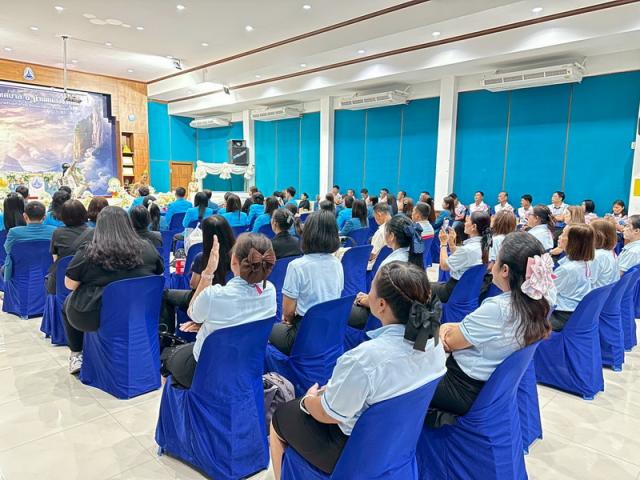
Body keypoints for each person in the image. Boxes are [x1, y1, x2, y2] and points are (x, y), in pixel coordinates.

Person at [270, 261, 446, 478]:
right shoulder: (435, 346)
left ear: (381, 304)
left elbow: (327, 414)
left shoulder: (364, 359)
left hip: (352, 451)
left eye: (371, 287)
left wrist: (307, 401)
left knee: (280, 418)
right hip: (397, 440)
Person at [426, 232, 552, 426]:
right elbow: (472, 331)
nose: (491, 266)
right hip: (490, 388)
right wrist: (450, 327)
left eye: (496, 260)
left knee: (401, 379)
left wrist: (444, 328)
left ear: (505, 270)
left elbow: (450, 342)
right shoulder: (537, 303)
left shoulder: (499, 308)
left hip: (461, 387)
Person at [161, 232, 276, 388]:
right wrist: (209, 325)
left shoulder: (215, 295)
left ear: (234, 261)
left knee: (167, 359)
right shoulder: (270, 291)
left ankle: (184, 402)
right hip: (247, 362)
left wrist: (208, 273)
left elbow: (193, 313)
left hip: (208, 368)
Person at [62, 206, 164, 373]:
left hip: (95, 315)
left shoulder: (89, 251)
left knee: (68, 302)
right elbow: (158, 273)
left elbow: (70, 285)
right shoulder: (147, 247)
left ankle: (76, 353)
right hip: (140, 310)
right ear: (128, 224)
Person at [269, 211, 343, 355]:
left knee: (268, 331)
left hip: (303, 333)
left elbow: (288, 313)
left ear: (307, 233)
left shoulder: (297, 266)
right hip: (330, 329)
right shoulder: (337, 263)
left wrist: (290, 321)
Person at [160, 215, 236, 334]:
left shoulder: (203, 258)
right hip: (228, 298)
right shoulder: (236, 256)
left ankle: (168, 335)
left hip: (204, 298)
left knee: (165, 294)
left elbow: (193, 285)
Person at [349, 215, 425, 328]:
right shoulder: (415, 258)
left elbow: (379, 304)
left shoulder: (390, 264)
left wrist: (363, 301)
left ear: (392, 236)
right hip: (405, 314)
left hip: (384, 317)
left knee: (342, 312)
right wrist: (368, 298)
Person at [432, 211, 491, 303]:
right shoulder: (484, 245)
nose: (464, 224)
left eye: (467, 221)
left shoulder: (468, 249)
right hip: (467, 289)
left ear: (474, 227)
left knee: (423, 286)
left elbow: (444, 266)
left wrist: (443, 244)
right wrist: (451, 243)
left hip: (453, 291)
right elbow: (461, 258)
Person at [549, 224, 594, 331]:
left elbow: (547, 290)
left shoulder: (567, 269)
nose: (559, 237)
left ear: (573, 242)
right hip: (575, 311)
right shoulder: (583, 262)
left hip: (562, 315)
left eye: (563, 234)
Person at [3, 201, 56, 282]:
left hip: (19, 275)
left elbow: (8, 250)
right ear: (44, 217)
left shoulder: (14, 232)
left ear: (25, 216)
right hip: (47, 276)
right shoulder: (54, 231)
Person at [46, 200, 89, 294]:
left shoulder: (58, 233)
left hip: (63, 278)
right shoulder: (93, 232)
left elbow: (55, 258)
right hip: (85, 280)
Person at [590, 219, 619, 288]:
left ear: (597, 236)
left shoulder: (598, 256)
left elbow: (588, 280)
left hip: (596, 292)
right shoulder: (610, 252)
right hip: (606, 291)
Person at [368, 203, 392, 270]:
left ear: (379, 215)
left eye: (374, 217)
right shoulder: (398, 226)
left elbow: (372, 255)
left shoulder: (380, 232)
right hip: (393, 265)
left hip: (378, 268)